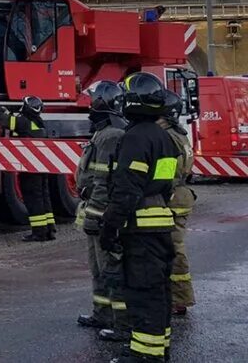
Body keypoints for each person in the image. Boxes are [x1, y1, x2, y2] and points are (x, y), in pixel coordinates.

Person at [99, 73, 177, 362]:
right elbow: (165, 185)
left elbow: (127, 190)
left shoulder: (135, 138)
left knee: (143, 292)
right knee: (159, 290)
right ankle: (158, 346)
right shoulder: (163, 137)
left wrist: (110, 228)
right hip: (160, 226)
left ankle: (146, 354)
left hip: (140, 228)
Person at [75, 81, 130, 335]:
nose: (89, 105)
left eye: (92, 100)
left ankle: (121, 323)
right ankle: (102, 314)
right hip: (94, 208)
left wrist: (94, 216)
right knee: (97, 267)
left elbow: (102, 181)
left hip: (102, 213)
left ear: (103, 103)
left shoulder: (112, 135)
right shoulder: (103, 132)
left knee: (110, 268)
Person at [0, 97, 55, 241]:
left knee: (33, 198)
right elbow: (13, 121)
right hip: (41, 167)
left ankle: (39, 233)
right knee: (44, 196)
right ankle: (49, 229)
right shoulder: (39, 123)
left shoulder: (23, 121)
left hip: (30, 169)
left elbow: (4, 121)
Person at [159, 91, 196, 317]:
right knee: (173, 248)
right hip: (180, 196)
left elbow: (169, 172)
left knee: (173, 249)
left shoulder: (168, 136)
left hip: (172, 198)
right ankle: (177, 298)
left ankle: (179, 299)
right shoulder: (179, 133)